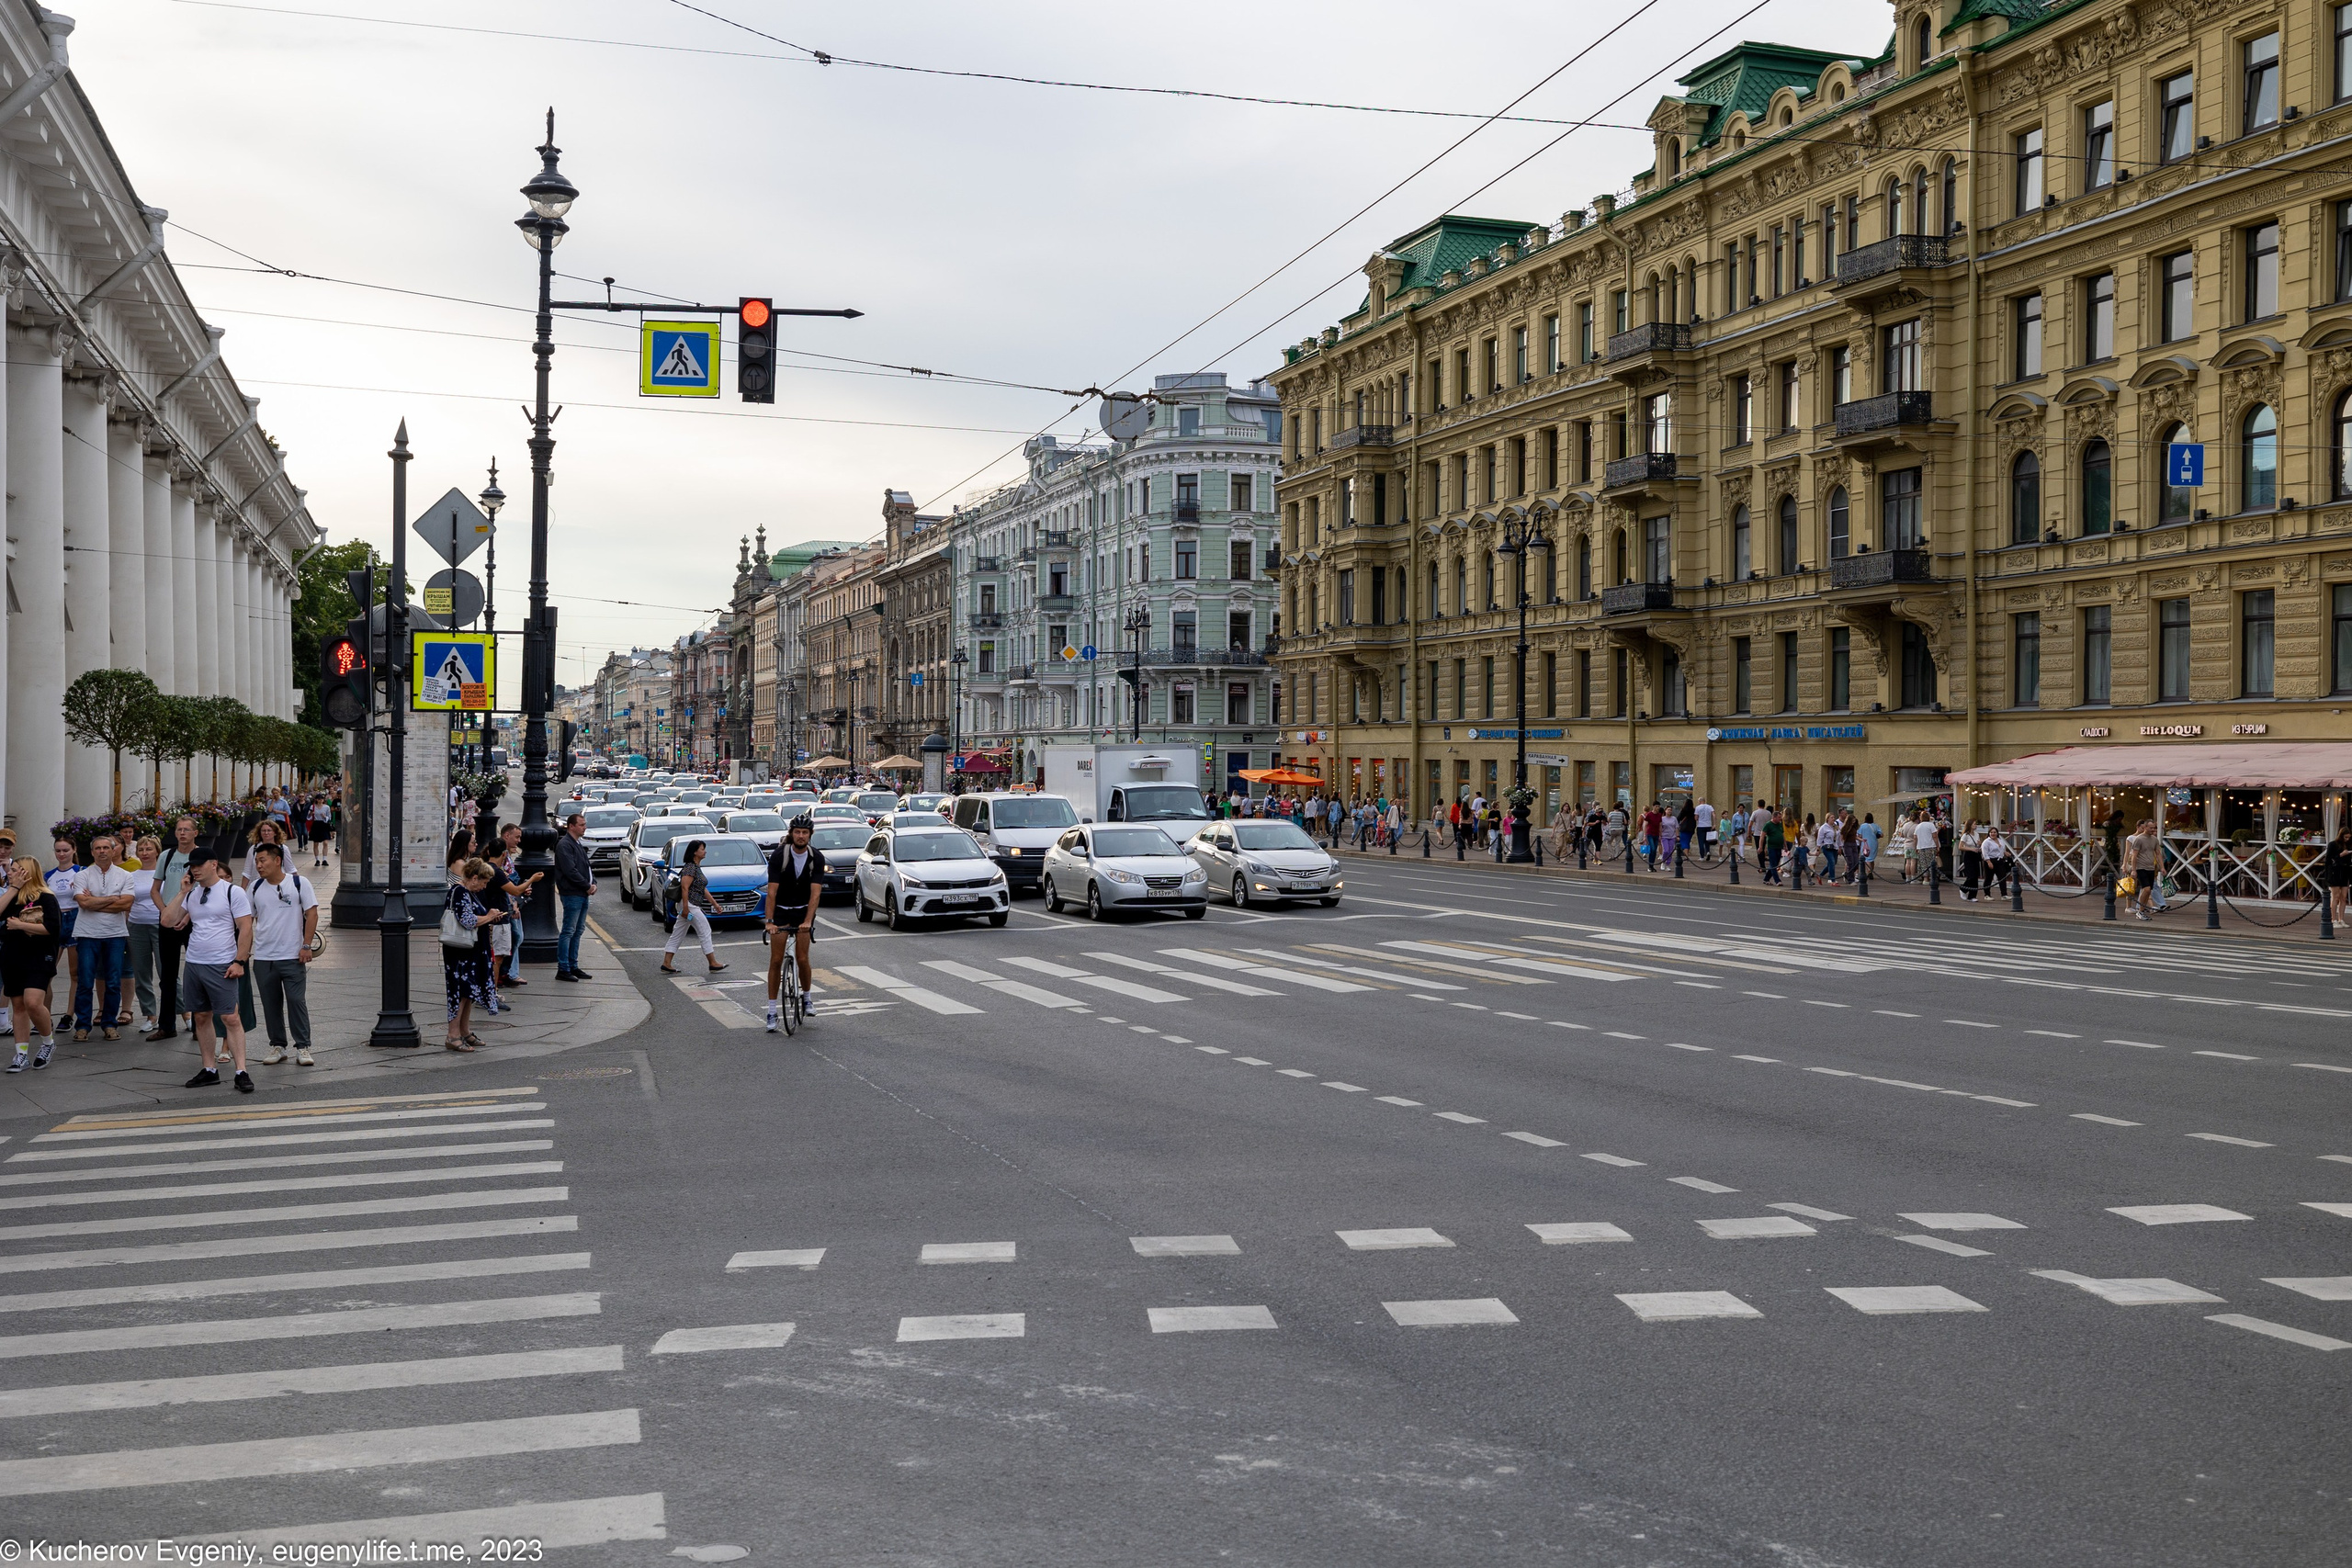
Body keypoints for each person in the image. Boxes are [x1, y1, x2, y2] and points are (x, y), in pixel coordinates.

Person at [165, 853, 254, 1092]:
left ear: (214, 864)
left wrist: (239, 961)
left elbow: (245, 927)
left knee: (230, 1018)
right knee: (201, 1017)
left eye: (199, 865)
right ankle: (209, 1069)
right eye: (191, 866)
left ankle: (241, 1071)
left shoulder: (232, 892)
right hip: (195, 962)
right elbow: (167, 920)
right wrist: (183, 892)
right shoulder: (192, 894)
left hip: (221, 963)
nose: (194, 870)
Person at [246, 842, 317, 1066]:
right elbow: (247, 921)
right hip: (264, 956)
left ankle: (303, 1047)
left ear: (277, 860)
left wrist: (306, 946)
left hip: (292, 955)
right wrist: (243, 952)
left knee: (296, 1000)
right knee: (270, 1003)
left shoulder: (299, 883)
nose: (258, 865)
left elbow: (312, 913)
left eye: (263, 860)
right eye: (256, 861)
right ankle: (278, 1045)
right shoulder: (255, 887)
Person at [68, 834, 134, 1042]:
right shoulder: (83, 875)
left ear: (114, 850)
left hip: (115, 935)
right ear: (93, 851)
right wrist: (113, 899)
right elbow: (83, 903)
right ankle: (82, 1025)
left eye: (106, 847)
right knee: (86, 981)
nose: (102, 851)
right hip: (87, 934)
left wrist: (95, 901)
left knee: (113, 981)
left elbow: (126, 904)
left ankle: (109, 1024)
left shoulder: (125, 876)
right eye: (98, 848)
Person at [763, 815, 825, 1031]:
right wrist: (769, 922)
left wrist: (808, 921)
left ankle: (807, 998)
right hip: (780, 911)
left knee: (802, 958)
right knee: (776, 960)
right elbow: (771, 892)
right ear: (791, 833)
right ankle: (772, 1012)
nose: (801, 836)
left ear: (810, 835)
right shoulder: (779, 855)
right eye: (797, 832)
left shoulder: (816, 857)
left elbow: (815, 895)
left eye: (805, 832)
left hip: (802, 912)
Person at [1, 856, 61, 1073]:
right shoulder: (13, 897)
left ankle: (48, 1043)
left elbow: (52, 929)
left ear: (27, 872)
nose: (10, 872)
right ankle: (22, 1054)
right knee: (18, 1005)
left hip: (39, 955)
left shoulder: (46, 897)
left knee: (33, 1002)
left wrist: (19, 925)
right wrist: (13, 888)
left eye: (15, 869)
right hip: (13, 956)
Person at [441, 858, 505, 1052]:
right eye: (484, 883)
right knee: (461, 992)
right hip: (461, 952)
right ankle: (453, 1035)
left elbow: (473, 916)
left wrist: (490, 915)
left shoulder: (469, 892)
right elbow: (467, 920)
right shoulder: (459, 891)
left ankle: (465, 1031)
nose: (483, 887)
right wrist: (489, 917)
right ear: (474, 878)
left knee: (469, 992)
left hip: (471, 951)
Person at [146, 816, 200, 1041]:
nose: (182, 833)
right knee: (167, 975)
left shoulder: (202, 856)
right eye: (179, 829)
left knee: (197, 973)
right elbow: (155, 890)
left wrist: (186, 916)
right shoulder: (167, 856)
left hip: (195, 921)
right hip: (169, 920)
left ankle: (200, 1026)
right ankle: (167, 1026)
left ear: (195, 833)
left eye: (187, 829)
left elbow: (206, 888)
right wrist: (164, 911)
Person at [662, 840, 726, 974]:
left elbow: (703, 889)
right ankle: (712, 963)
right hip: (690, 905)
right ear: (695, 852)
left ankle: (666, 963)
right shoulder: (690, 867)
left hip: (690, 905)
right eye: (702, 849)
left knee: (678, 933)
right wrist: (685, 908)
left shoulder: (696, 867)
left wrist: (715, 904)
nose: (705, 851)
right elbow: (685, 888)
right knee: (705, 930)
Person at [125, 834, 164, 1033]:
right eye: (141, 849)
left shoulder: (163, 873)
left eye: (149, 849)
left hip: (161, 925)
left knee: (167, 972)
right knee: (142, 973)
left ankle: (184, 1013)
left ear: (157, 851)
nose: (145, 853)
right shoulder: (131, 876)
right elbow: (127, 903)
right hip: (137, 926)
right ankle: (150, 1015)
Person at [554, 811, 596, 981]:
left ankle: (573, 965)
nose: (585, 827)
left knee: (578, 931)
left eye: (584, 824)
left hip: (581, 893)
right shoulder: (565, 845)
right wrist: (587, 886)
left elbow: (586, 867)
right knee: (569, 931)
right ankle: (563, 968)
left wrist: (594, 883)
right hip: (572, 893)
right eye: (582, 825)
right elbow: (570, 870)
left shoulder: (577, 843)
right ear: (571, 826)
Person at [2124, 817, 2161, 920]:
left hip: (2150, 867)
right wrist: (2132, 869)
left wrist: (2161, 867)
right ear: (2143, 827)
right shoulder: (2136, 838)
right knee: (2145, 888)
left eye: (2154, 828)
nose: (2153, 830)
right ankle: (2136, 909)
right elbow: (2131, 854)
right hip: (2140, 867)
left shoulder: (2154, 840)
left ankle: (2141, 909)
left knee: (2148, 890)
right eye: (2151, 828)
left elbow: (2158, 853)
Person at [1957, 820, 1984, 900]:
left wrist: (1980, 845)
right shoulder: (1965, 835)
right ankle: (1963, 889)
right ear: (1970, 825)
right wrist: (1971, 849)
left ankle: (1972, 896)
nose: (1976, 825)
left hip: (1976, 855)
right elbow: (1961, 847)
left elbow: (1978, 844)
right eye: (1975, 824)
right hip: (1968, 855)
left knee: (1976, 876)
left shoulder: (1977, 834)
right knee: (1971, 875)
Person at [307, 795, 334, 868]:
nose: (320, 800)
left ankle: (324, 859)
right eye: (319, 799)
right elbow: (308, 817)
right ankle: (317, 860)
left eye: (321, 798)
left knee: (325, 842)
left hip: (323, 825)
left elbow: (329, 817)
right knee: (316, 843)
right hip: (316, 824)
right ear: (316, 799)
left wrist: (324, 817)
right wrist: (310, 814)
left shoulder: (326, 807)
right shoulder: (312, 807)